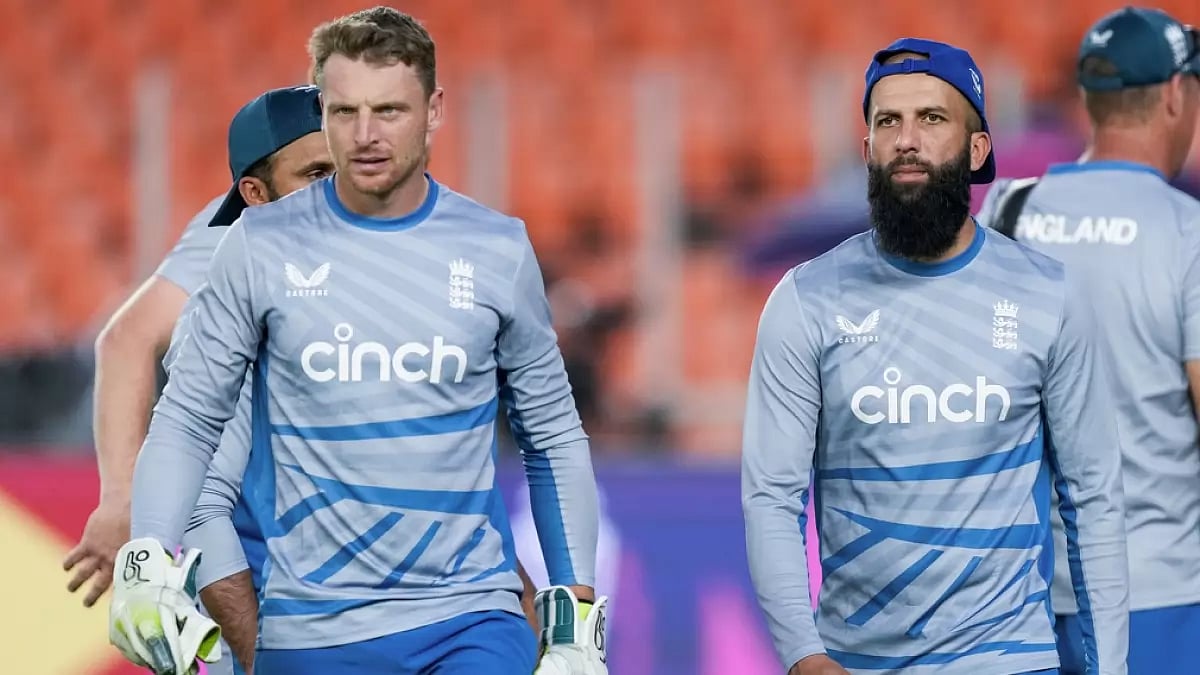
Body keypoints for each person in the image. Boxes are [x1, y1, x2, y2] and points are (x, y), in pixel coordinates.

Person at [106, 7, 607, 675]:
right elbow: (188, 421)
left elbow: (551, 434)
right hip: (311, 626)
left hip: (470, 618)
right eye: (344, 113)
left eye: (389, 111)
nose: (365, 135)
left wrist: (572, 612)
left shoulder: (496, 249)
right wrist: (146, 556)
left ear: (434, 111)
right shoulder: (255, 248)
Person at [741, 38, 1130, 675]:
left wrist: (1109, 666)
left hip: (1009, 658)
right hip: (856, 661)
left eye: (933, 118)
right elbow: (771, 497)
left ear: (977, 150)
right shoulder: (804, 300)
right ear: (866, 149)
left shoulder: (1048, 293)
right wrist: (803, 656)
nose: (907, 139)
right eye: (887, 121)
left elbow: (1092, 498)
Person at [976, 9, 1200, 674]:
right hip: (1161, 595)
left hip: (1026, 601)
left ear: (1089, 100)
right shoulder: (1187, 234)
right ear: (1173, 95)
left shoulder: (1008, 215)